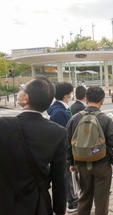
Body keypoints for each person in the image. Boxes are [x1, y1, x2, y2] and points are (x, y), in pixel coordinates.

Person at [0, 77, 67, 215]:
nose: (19, 91)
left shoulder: (3, 125)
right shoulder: (58, 132)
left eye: (22, 89)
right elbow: (59, 178)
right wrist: (60, 210)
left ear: (26, 98)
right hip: (38, 204)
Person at [67, 86, 113, 215]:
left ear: (86, 100)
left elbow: (68, 143)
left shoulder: (74, 119)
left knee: (84, 197)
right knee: (101, 199)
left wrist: (71, 163)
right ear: (102, 101)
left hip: (81, 164)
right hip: (102, 163)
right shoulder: (105, 119)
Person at [47, 82, 79, 212]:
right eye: (71, 92)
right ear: (66, 94)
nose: (72, 95)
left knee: (67, 176)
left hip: (65, 149)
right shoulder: (59, 112)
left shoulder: (61, 108)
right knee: (65, 176)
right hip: (63, 150)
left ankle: (73, 200)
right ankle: (71, 202)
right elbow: (62, 135)